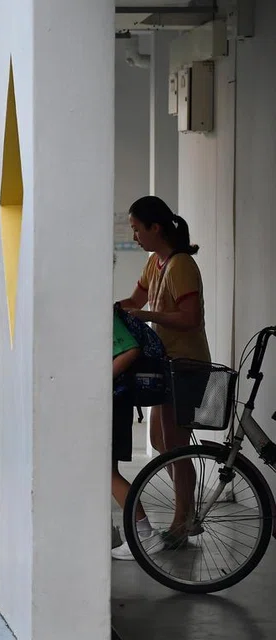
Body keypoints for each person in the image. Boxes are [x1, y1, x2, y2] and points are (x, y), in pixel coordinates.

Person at [118, 195, 210, 542]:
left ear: (155, 228)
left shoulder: (181, 264)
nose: (135, 236)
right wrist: (111, 308)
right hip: (167, 366)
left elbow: (190, 318)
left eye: (138, 229)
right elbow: (134, 301)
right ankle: (186, 514)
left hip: (187, 365)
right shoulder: (155, 263)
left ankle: (183, 521)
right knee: (162, 441)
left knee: (175, 444)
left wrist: (146, 316)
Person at [110, 309, 164, 559]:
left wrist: (100, 381)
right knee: (103, 473)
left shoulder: (102, 312)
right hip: (112, 402)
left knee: (105, 473)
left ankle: (145, 535)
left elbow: (131, 349)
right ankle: (136, 533)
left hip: (114, 403)